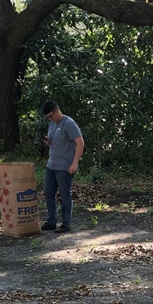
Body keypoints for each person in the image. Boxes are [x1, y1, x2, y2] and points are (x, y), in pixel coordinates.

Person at [40, 99, 84, 233]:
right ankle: (51, 220)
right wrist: (48, 142)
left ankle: (66, 223)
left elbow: (80, 143)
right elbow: (54, 139)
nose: (50, 119)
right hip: (51, 164)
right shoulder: (52, 123)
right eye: (48, 117)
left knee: (65, 194)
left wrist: (74, 163)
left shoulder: (69, 123)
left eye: (51, 116)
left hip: (65, 165)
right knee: (48, 192)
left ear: (57, 111)